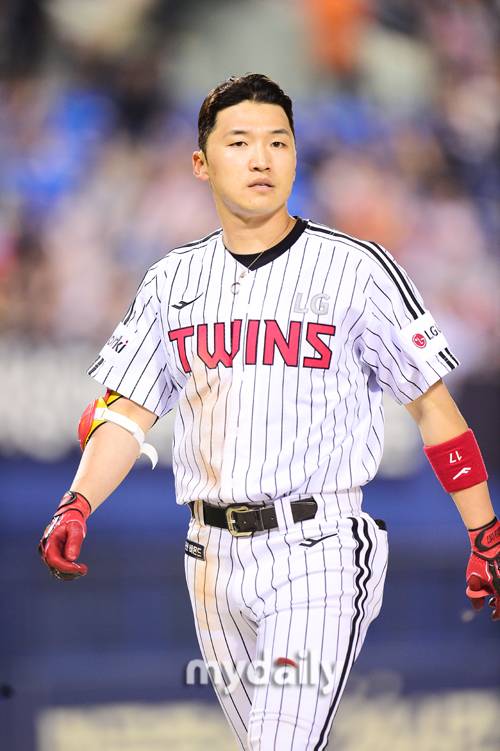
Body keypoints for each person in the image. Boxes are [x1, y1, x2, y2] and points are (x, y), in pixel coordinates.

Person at [39, 74, 499, 750]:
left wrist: (484, 531)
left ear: (295, 155)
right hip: (210, 558)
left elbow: (433, 407)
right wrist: (77, 502)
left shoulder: (356, 269)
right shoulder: (171, 281)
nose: (261, 158)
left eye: (278, 142)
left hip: (318, 546)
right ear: (201, 163)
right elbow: (126, 413)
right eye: (239, 142)